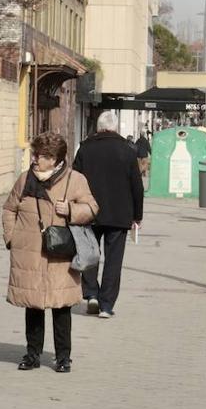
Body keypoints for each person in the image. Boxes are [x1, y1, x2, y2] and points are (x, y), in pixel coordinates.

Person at [2, 132, 97, 373]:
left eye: (41, 156)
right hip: (30, 253)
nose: (35, 159)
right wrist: (11, 237)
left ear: (55, 159)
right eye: (35, 154)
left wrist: (72, 210)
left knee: (61, 307)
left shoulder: (75, 180)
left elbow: (92, 208)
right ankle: (32, 354)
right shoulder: (25, 180)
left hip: (60, 255)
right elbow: (9, 209)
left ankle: (63, 357)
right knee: (32, 306)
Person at [73, 111, 144, 318]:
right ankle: (106, 305)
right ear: (115, 128)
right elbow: (136, 186)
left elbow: (74, 179)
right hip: (119, 214)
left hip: (89, 212)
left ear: (99, 127)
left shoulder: (85, 148)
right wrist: (137, 216)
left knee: (89, 254)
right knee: (114, 261)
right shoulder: (128, 150)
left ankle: (91, 294)